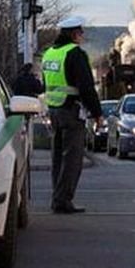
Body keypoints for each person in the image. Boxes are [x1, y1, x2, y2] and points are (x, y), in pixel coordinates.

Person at [41, 16, 103, 214]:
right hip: (71, 111)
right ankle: (63, 201)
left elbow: (45, 82)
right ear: (74, 33)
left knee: (57, 157)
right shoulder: (75, 54)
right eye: (81, 32)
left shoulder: (49, 53)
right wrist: (97, 113)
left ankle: (57, 197)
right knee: (72, 159)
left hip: (54, 109)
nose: (82, 36)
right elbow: (86, 87)